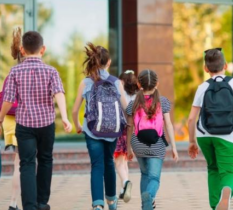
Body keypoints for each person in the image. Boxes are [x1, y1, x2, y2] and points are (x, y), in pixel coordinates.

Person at [0, 31, 72, 210]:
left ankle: (29, 206)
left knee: (27, 164)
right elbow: (59, 93)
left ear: (22, 50)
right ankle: (42, 202)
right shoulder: (51, 71)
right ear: (42, 49)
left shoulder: (15, 71)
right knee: (45, 160)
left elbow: (8, 99)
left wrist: (0, 117)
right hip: (46, 125)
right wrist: (65, 118)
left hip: (25, 126)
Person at [187, 48, 233, 210]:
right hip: (226, 135)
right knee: (228, 172)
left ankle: (216, 206)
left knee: (213, 169)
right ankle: (226, 192)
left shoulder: (202, 87)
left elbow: (191, 119)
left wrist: (192, 142)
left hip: (204, 136)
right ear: (226, 66)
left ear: (205, 68)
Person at [72, 43, 128, 210]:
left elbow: (75, 110)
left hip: (92, 129)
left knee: (97, 165)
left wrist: (77, 125)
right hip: (112, 130)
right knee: (109, 163)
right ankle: (111, 201)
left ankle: (97, 204)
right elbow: (126, 108)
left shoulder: (86, 82)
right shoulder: (117, 82)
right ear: (109, 62)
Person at [126, 69, 179, 210]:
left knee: (144, 174)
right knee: (154, 178)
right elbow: (168, 124)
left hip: (138, 144)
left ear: (139, 84)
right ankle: (149, 195)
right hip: (157, 144)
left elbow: (129, 127)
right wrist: (174, 147)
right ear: (157, 84)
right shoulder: (163, 102)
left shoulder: (133, 103)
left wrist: (128, 148)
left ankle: (146, 206)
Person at [0, 27, 22, 210]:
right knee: (26, 164)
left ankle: (13, 202)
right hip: (27, 121)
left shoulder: (10, 74)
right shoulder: (32, 72)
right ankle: (23, 201)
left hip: (10, 122)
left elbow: (3, 100)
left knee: (17, 164)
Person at [114, 70, 138, 203]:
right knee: (124, 162)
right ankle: (123, 190)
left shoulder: (119, 94)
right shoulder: (136, 96)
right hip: (131, 131)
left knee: (118, 163)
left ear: (122, 81)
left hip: (119, 130)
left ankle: (126, 182)